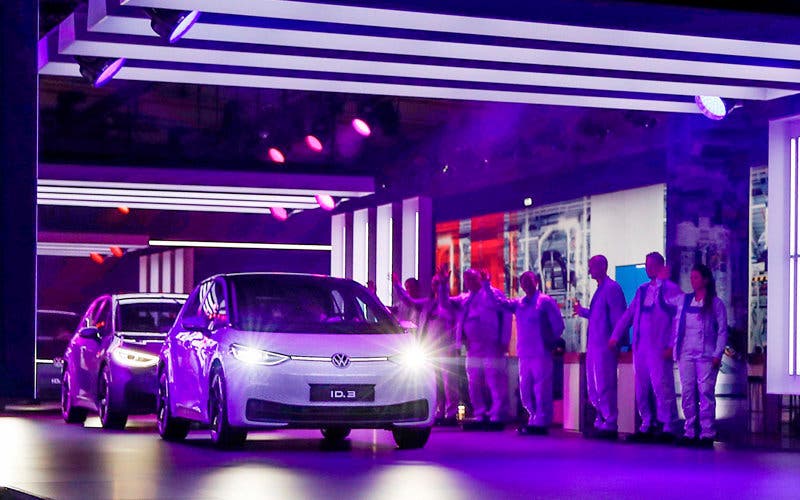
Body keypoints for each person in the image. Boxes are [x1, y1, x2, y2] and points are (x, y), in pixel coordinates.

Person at [610, 252, 681, 442]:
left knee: (662, 386)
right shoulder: (642, 290)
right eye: (647, 265)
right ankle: (647, 422)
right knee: (641, 387)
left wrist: (672, 344)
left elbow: (678, 318)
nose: (649, 268)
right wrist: (615, 336)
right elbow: (628, 315)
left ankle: (669, 424)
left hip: (659, 347)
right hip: (640, 347)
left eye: (652, 265)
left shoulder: (671, 289)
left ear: (661, 266)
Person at [491, 271, 565, 435]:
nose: (526, 284)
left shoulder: (545, 302)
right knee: (525, 388)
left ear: (536, 282)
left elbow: (558, 325)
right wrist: (486, 286)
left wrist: (550, 342)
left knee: (541, 387)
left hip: (541, 352)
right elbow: (500, 303)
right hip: (524, 353)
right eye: (523, 281)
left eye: (529, 281)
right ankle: (533, 415)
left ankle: (542, 419)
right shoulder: (519, 303)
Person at [441, 267, 511, 424]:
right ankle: (480, 412)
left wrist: (504, 341)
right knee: (474, 381)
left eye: (472, 279)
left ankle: (498, 412)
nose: (469, 282)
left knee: (494, 379)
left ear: (479, 278)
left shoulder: (493, 293)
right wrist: (443, 286)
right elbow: (445, 304)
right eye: (467, 280)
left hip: (492, 344)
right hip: (473, 346)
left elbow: (504, 314)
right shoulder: (465, 298)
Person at [393, 266, 460, 425]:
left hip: (446, 348)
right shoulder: (427, 304)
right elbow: (409, 301)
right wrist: (397, 286)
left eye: (438, 284)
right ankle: (438, 411)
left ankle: (451, 413)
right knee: (435, 382)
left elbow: (443, 302)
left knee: (449, 382)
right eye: (434, 284)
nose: (435, 287)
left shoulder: (450, 304)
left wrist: (443, 284)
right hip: (430, 348)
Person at [672, 264, 727, 448]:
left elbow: (722, 331)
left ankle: (707, 432)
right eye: (691, 277)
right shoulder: (684, 300)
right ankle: (689, 431)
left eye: (696, 277)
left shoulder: (716, 304)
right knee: (687, 392)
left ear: (705, 279)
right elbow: (668, 301)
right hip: (686, 353)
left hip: (707, 354)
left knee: (705, 392)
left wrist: (718, 353)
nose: (692, 280)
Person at [573, 255, 627, 439]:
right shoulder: (601, 290)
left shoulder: (611, 289)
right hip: (596, 345)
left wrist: (616, 340)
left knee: (605, 384)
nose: (589, 270)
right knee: (595, 386)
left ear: (602, 267)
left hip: (605, 346)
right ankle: (601, 420)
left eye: (592, 266)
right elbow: (598, 315)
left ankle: (609, 422)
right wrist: (582, 311)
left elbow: (618, 317)